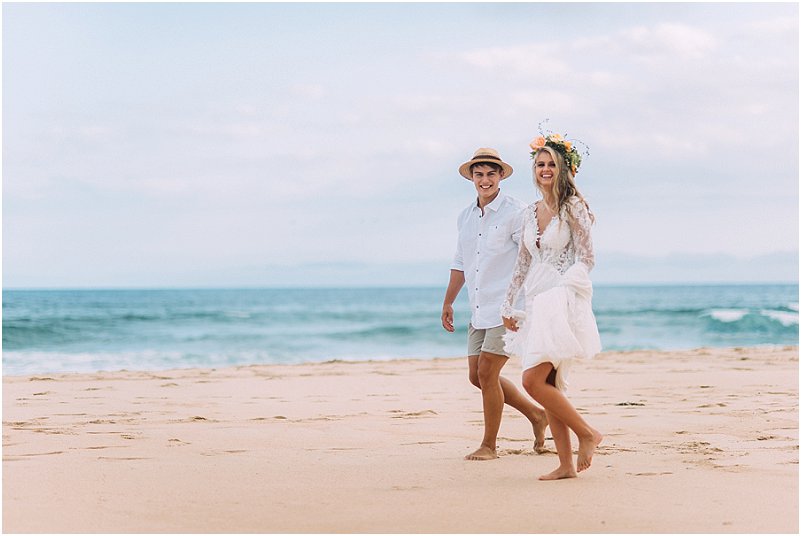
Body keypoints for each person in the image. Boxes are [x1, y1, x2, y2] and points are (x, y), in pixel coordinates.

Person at [500, 132, 603, 480]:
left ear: (564, 169)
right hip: (535, 300)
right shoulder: (530, 213)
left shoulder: (573, 207)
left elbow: (587, 257)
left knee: (532, 381)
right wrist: (508, 303)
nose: (546, 169)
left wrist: (564, 289)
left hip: (562, 298)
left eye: (552, 164)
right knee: (550, 383)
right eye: (541, 164)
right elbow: (522, 263)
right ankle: (565, 464)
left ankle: (587, 433)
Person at [442, 147, 548, 461]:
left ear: (500, 176)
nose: (485, 180)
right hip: (478, 308)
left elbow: (530, 257)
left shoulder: (517, 212)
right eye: (479, 174)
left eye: (491, 173)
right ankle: (536, 415)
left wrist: (524, 304)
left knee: (488, 373)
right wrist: (449, 301)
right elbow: (461, 262)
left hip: (508, 307)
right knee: (476, 376)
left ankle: (489, 445)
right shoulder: (465, 216)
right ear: (472, 178)